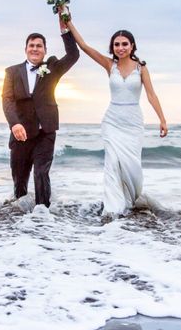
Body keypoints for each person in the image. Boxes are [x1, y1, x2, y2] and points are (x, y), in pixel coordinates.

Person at [65, 15, 169, 217]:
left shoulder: (141, 68)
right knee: (112, 163)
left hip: (132, 123)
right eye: (116, 44)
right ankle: (113, 209)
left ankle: (132, 200)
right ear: (112, 47)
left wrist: (162, 119)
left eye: (124, 44)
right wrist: (67, 19)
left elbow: (151, 95)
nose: (120, 47)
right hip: (112, 121)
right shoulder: (109, 65)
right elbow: (84, 46)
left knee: (132, 166)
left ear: (132, 46)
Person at [2, 14, 79, 208]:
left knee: (41, 173)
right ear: (26, 49)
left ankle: (43, 217)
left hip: (46, 131)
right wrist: (15, 124)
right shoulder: (12, 72)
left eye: (39, 46)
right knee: (19, 178)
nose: (35, 49)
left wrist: (65, 29)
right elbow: (7, 100)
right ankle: (19, 217)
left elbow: (73, 55)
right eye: (32, 45)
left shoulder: (52, 68)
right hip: (21, 133)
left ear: (45, 50)